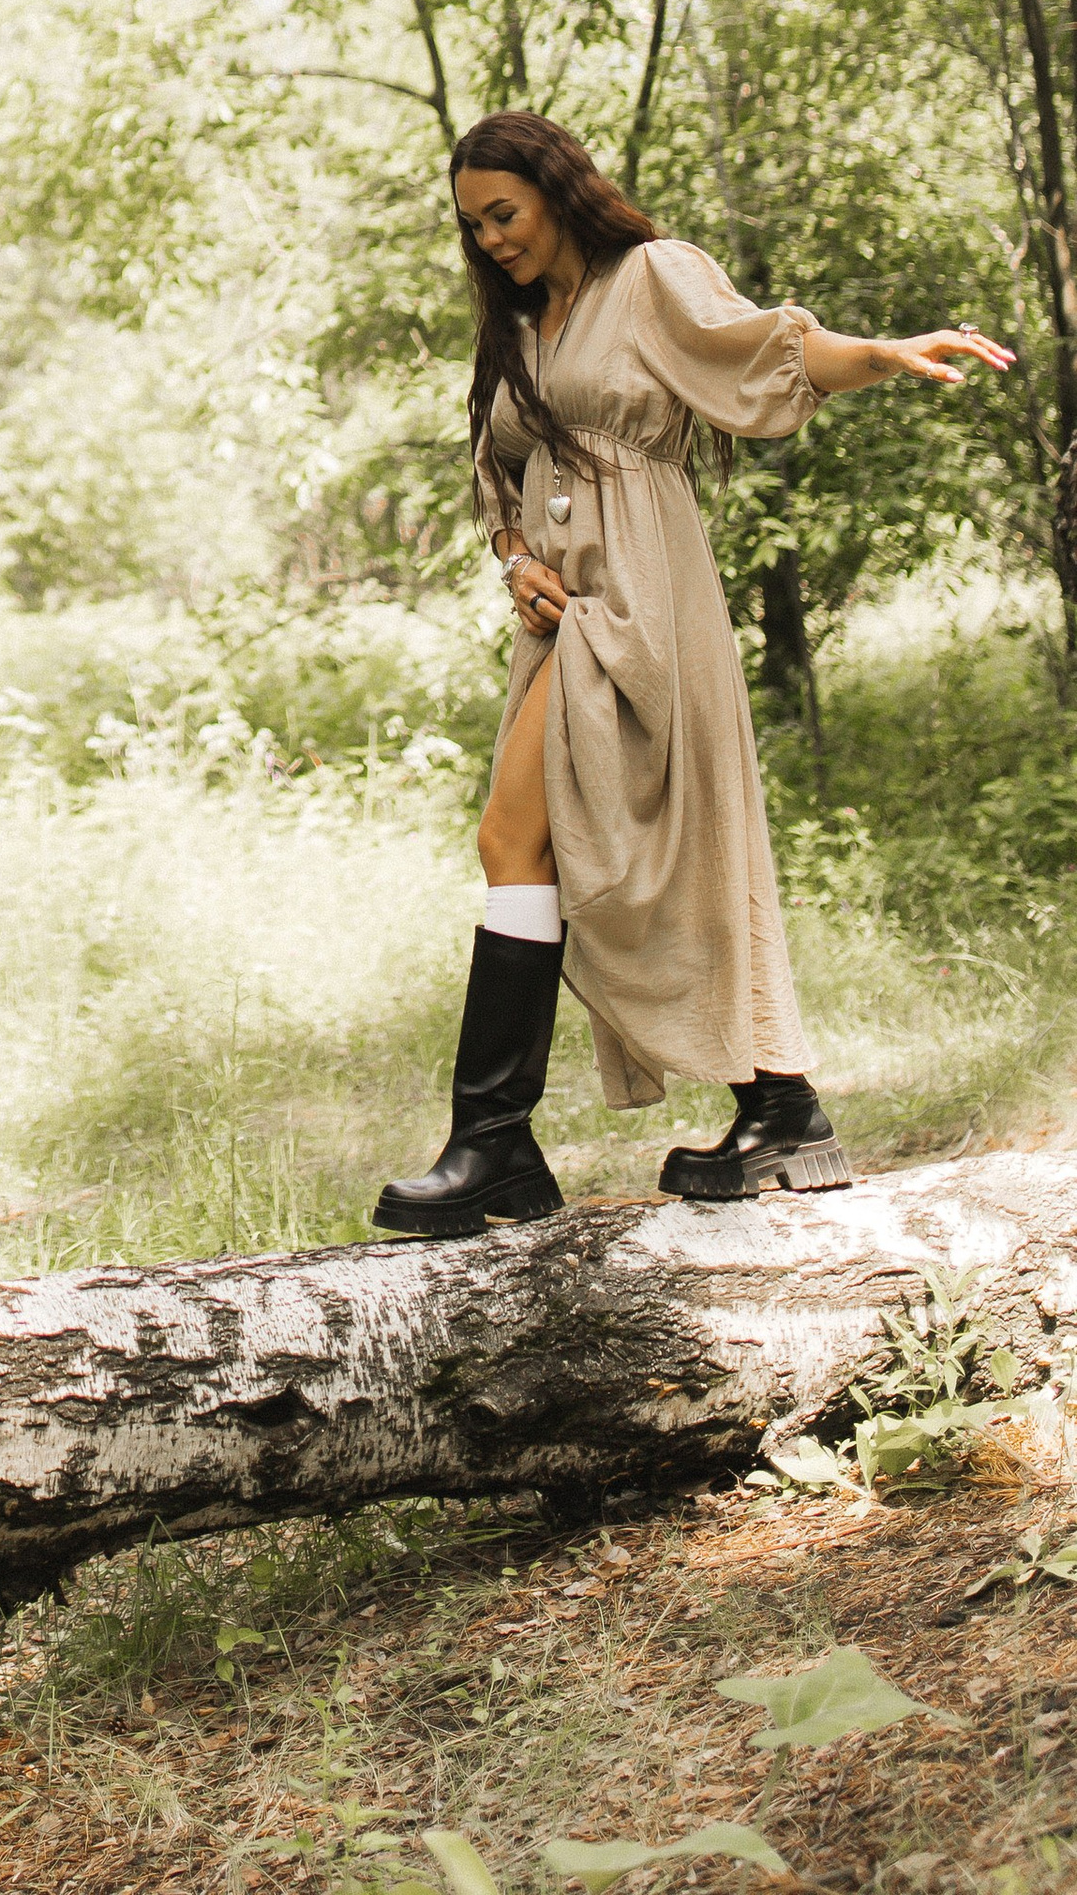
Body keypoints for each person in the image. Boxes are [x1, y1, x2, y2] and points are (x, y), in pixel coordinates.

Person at [373, 111, 1012, 1238]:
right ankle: (764, 1110)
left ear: (558, 191)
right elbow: (498, 465)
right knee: (541, 841)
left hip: (644, 597)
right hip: (561, 614)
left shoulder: (649, 278)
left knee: (616, 837)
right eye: (472, 225)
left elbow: (763, 349)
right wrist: (516, 560)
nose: (489, 240)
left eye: (503, 214)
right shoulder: (523, 324)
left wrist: (881, 356)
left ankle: (506, 1145)